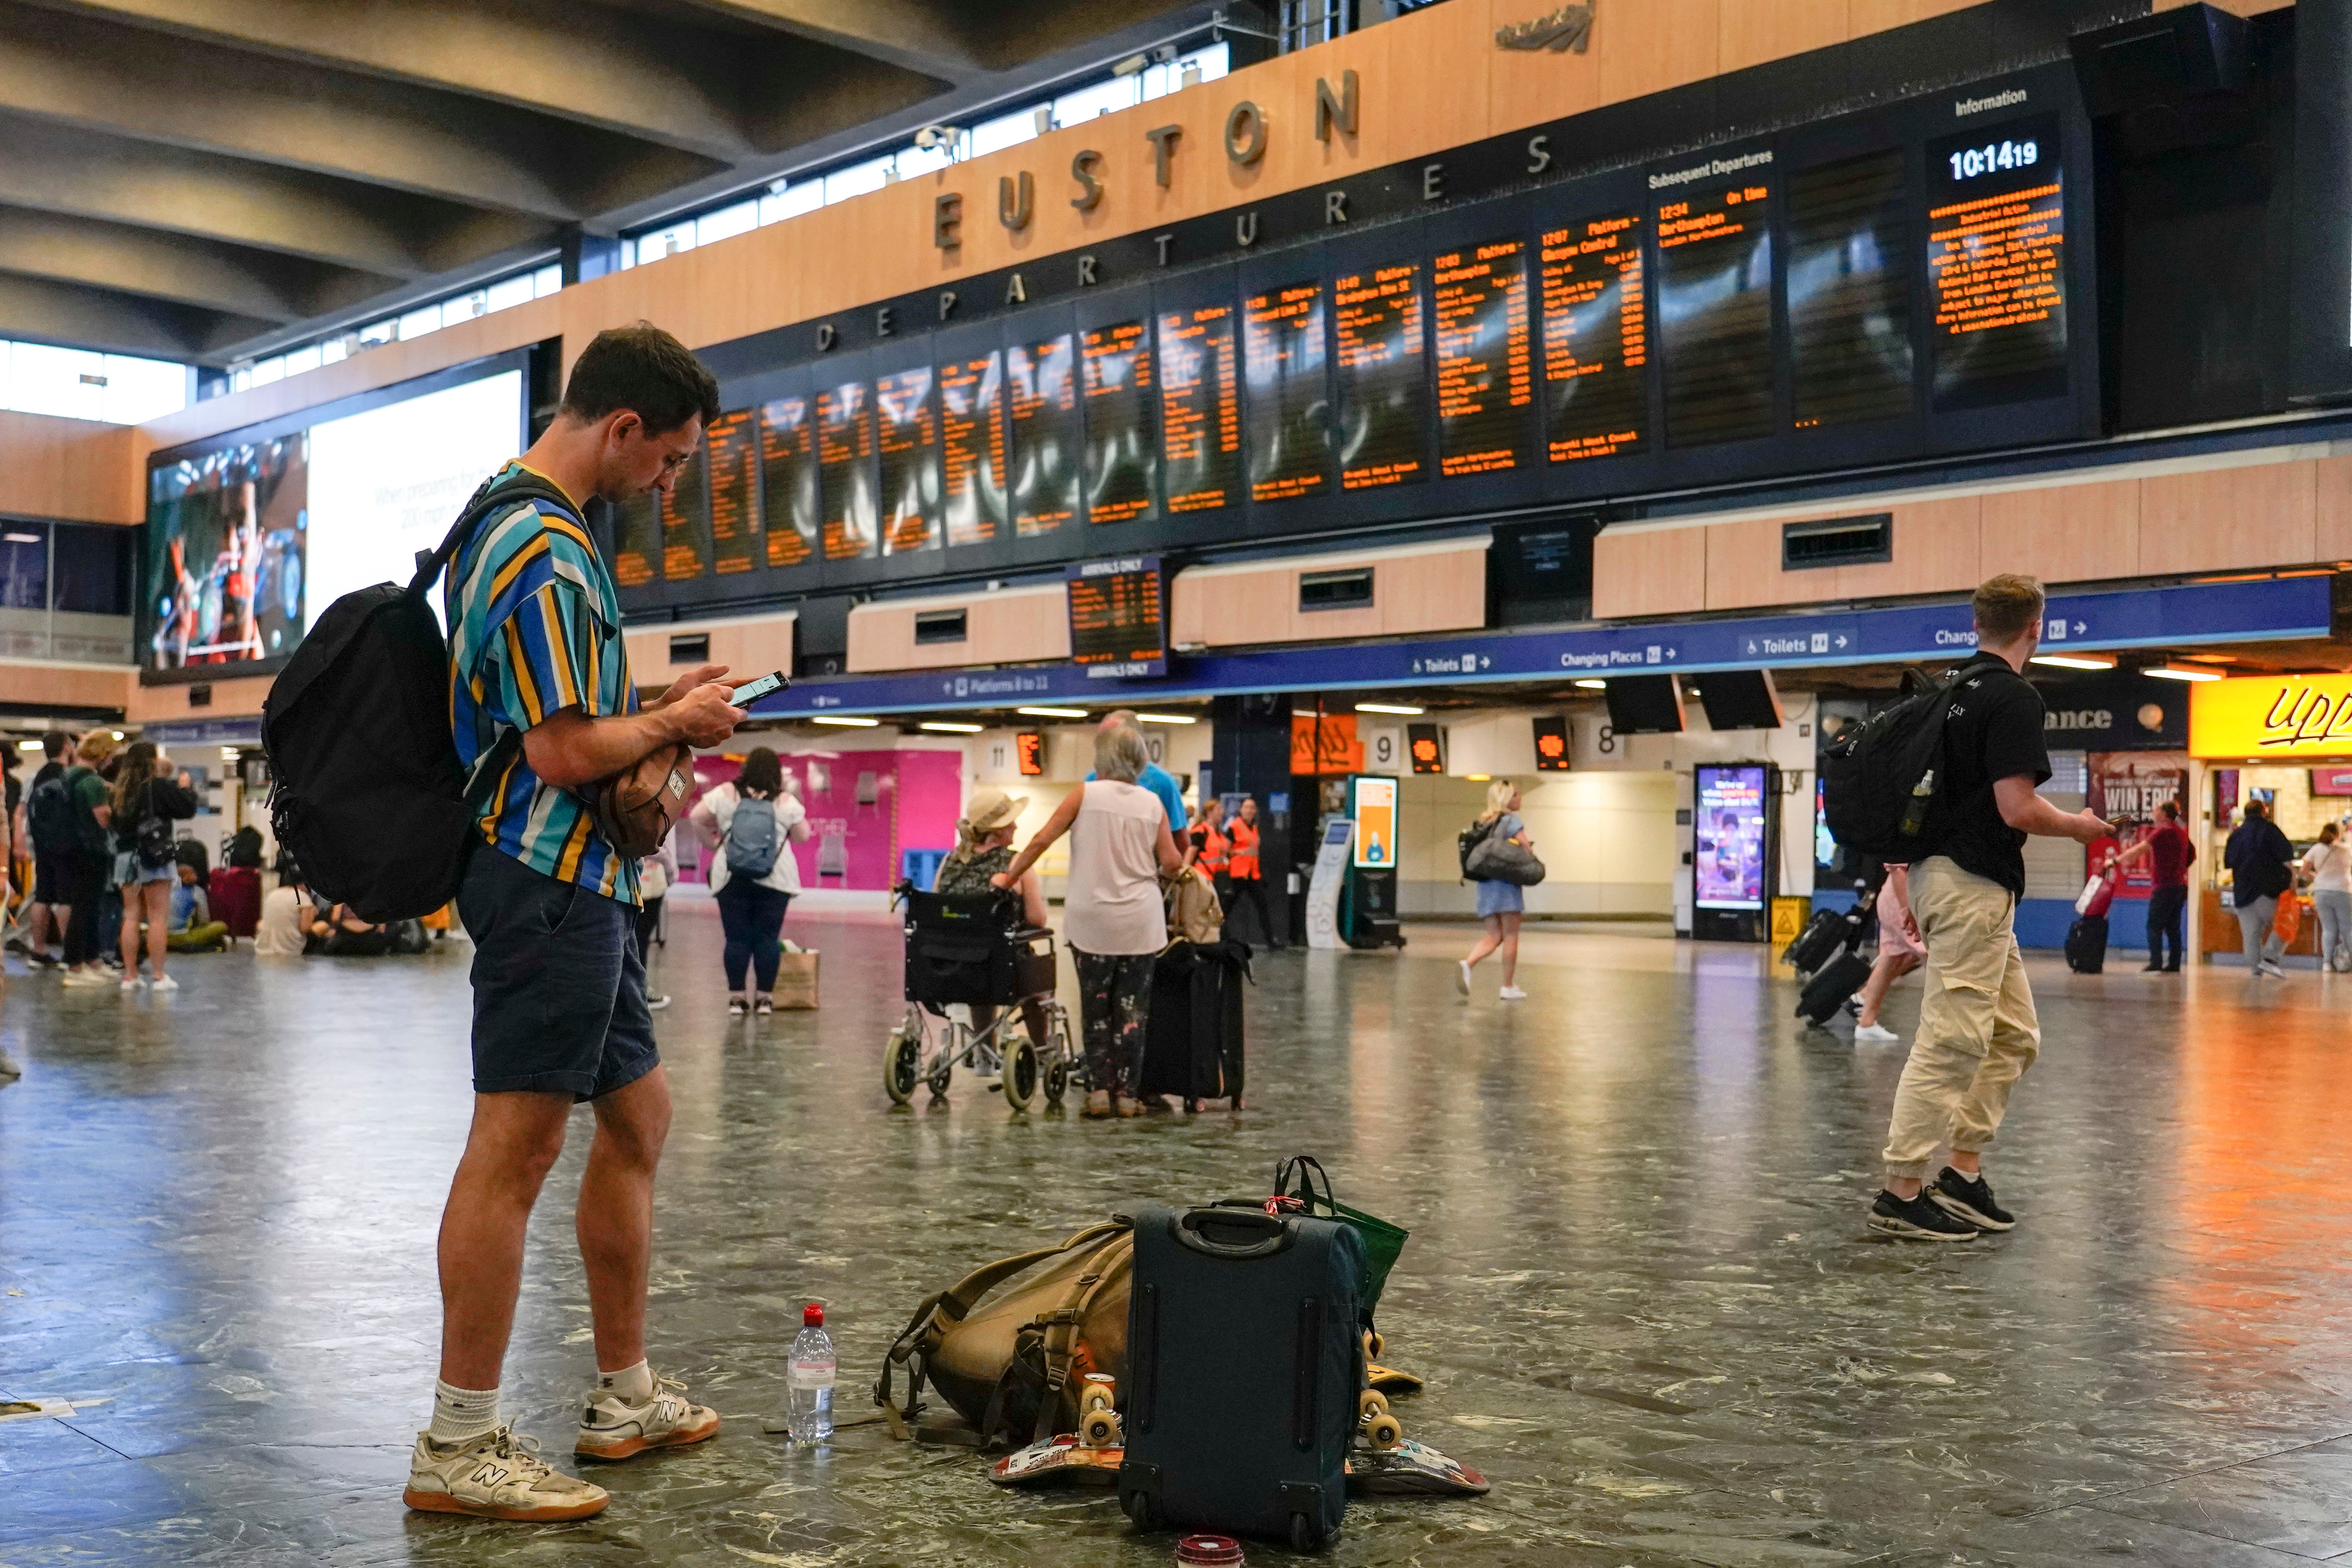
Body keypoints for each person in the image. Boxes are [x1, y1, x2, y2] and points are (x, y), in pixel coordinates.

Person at [408, 323, 742, 1524]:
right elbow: (559, 750)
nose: (666, 486)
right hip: (547, 882)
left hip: (581, 885)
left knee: (637, 1116)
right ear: (621, 429)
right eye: (667, 463)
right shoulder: (546, 547)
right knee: (517, 1149)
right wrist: (675, 728)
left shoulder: (510, 517)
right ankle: (458, 1440)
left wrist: (651, 704)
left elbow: (561, 709)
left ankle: (623, 1394)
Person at [1868, 575, 2111, 1242]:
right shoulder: (2010, 696)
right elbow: (2018, 808)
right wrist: (2080, 826)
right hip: (1970, 884)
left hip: (1945, 879)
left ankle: (1963, 1175)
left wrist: (1907, 884)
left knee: (2012, 1036)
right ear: (2037, 627)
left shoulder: (1949, 689)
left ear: (1976, 624)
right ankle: (1901, 1189)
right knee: (1953, 1037)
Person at [996, 724, 1180, 1117]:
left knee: (1095, 1008)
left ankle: (1099, 1094)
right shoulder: (1152, 803)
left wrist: (1009, 879)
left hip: (1091, 920)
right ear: (1140, 760)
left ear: (1102, 758)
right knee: (1132, 1012)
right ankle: (1128, 1097)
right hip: (1140, 922)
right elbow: (1172, 862)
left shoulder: (1084, 794)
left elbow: (1042, 840)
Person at [687, 747, 808, 1017]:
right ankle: (765, 999)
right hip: (775, 878)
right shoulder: (785, 800)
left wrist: (714, 844)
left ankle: (737, 999)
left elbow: (696, 817)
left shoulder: (725, 793)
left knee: (736, 939)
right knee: (767, 939)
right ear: (777, 773)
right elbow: (802, 837)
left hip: (731, 876)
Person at [936, 787, 1051, 1065]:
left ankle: (984, 1052)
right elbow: (1038, 919)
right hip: (1003, 968)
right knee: (1034, 972)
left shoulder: (949, 862)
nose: (1016, 825)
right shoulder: (1014, 862)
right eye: (1010, 821)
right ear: (999, 831)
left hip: (950, 966)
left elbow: (937, 909)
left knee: (980, 961)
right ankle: (1042, 1052)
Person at [109, 741, 199, 992]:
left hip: (126, 857)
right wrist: (185, 788)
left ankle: (130, 976)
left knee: (130, 916)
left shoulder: (121, 789)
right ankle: (159, 976)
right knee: (158, 917)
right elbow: (187, 809)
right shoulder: (157, 786)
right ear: (153, 762)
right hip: (154, 856)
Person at [1458, 781, 1531, 1002]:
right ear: (1506, 799)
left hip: (1486, 885)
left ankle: (1468, 964)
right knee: (1511, 936)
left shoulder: (1485, 822)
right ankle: (1508, 987)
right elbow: (1526, 848)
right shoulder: (1510, 820)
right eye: (1516, 794)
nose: (1520, 798)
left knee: (1494, 936)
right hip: (1506, 885)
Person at [57, 730, 117, 989]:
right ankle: (76, 966)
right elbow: (103, 818)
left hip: (69, 849)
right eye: (111, 754)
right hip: (91, 850)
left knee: (84, 907)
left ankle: (91, 961)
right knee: (86, 909)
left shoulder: (68, 776)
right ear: (102, 753)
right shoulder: (93, 783)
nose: (112, 761)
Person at [2113, 800, 2194, 972]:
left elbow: (2138, 850)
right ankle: (2174, 964)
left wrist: (2115, 861)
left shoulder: (2162, 832)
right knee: (2173, 927)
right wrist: (2179, 869)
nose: (2154, 812)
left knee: (2154, 926)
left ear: (2164, 814)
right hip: (2179, 886)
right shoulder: (2181, 833)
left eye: (2157, 810)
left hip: (2164, 887)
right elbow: (2192, 855)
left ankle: (2156, 962)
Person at [15, 733, 71, 967]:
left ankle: (37, 951)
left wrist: (20, 838)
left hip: (41, 842)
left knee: (43, 896)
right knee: (66, 899)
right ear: (67, 747)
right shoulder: (69, 776)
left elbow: (22, 810)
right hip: (65, 843)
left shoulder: (36, 777)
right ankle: (72, 954)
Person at [2224, 799, 2296, 978]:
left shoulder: (2236, 835)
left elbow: (2229, 862)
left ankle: (2256, 973)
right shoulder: (2271, 830)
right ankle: (2270, 958)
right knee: (2285, 924)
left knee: (2251, 936)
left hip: (2242, 892)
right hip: (2268, 890)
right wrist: (2292, 882)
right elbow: (2287, 860)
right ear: (2264, 812)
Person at [1853, 863, 1922, 1042]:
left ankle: (1866, 1022)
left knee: (1892, 957)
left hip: (1894, 899)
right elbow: (1898, 869)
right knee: (1938, 960)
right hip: (1901, 901)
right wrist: (1907, 908)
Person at [1090, 710, 1185, 829]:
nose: (1101, 747)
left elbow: (1179, 838)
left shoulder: (1161, 783)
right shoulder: (1091, 782)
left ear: (1132, 740)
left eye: (1106, 740)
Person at [1222, 794, 1279, 949]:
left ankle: (1270, 941)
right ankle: (1218, 936)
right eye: (1247, 807)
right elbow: (1224, 850)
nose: (1250, 811)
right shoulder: (1234, 827)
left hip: (1253, 874)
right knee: (1227, 908)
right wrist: (1236, 854)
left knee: (1263, 906)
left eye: (1253, 808)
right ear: (1241, 810)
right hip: (1238, 875)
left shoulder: (1254, 828)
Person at [636, 834, 677, 1012]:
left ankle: (635, 990)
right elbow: (658, 845)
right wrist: (671, 870)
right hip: (649, 876)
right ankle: (639, 992)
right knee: (639, 939)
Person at [2304, 822, 2352, 972]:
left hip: (2322, 892)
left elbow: (2304, 871)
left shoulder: (2316, 849)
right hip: (2343, 891)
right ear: (2339, 834)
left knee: (2328, 929)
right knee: (2348, 929)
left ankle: (2327, 964)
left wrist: (2318, 877)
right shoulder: (2346, 849)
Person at [254, 858, 315, 957]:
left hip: (263, 948)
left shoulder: (272, 894)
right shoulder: (302, 898)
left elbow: (261, 923)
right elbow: (305, 928)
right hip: (289, 949)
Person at [166, 859, 229, 952]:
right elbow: (205, 919)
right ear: (185, 877)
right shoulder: (197, 892)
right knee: (221, 926)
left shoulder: (167, 889)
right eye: (191, 874)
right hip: (182, 935)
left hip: (161, 934)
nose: (194, 876)